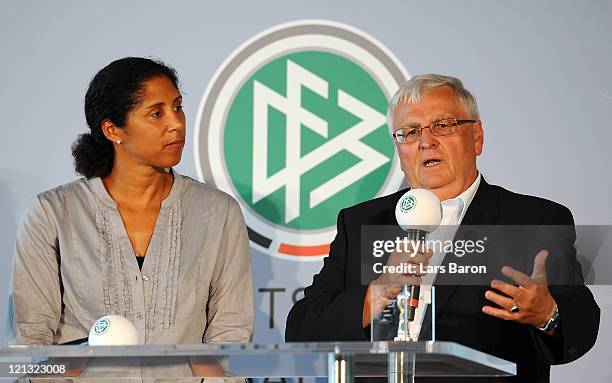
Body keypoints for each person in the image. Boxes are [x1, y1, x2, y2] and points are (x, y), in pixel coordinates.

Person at [286, 74, 599, 382]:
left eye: (442, 125)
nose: (425, 141)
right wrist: (376, 293)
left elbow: (580, 325)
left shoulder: (533, 220)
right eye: (409, 132)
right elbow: (301, 330)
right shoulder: (362, 222)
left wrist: (548, 314)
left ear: (476, 137)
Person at [7, 57, 253, 373]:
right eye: (156, 113)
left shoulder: (218, 213)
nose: (176, 123)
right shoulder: (52, 213)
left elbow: (230, 335)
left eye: (177, 107)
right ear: (113, 130)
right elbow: (31, 339)